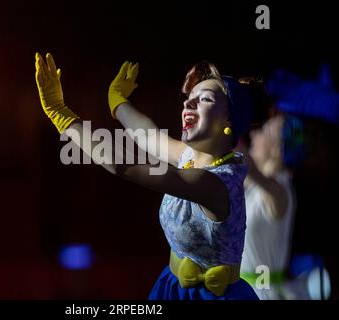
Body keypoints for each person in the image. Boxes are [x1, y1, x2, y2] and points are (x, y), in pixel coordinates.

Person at [35, 53, 258, 300]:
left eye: (203, 99)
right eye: (188, 98)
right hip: (173, 287)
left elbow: (122, 164)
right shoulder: (190, 157)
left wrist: (62, 115)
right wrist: (118, 102)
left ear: (229, 120)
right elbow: (148, 135)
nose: (188, 104)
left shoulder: (215, 184)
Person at [239, 112, 308, 300]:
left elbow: (248, 166)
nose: (254, 135)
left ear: (278, 148)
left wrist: (225, 125)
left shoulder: (280, 191)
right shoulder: (253, 186)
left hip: (263, 294)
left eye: (264, 130)